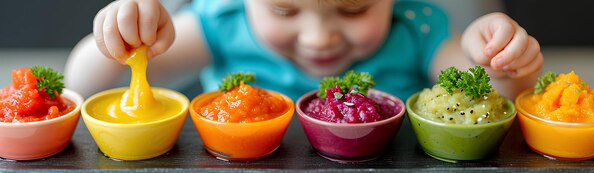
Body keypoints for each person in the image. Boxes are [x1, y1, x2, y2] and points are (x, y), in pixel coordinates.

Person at [65, 0, 543, 101]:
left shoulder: (413, 27)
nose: (319, 37)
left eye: (354, 10)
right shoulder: (222, 24)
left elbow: (493, 88)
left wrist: (497, 54)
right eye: (283, 11)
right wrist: (118, 40)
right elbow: (86, 85)